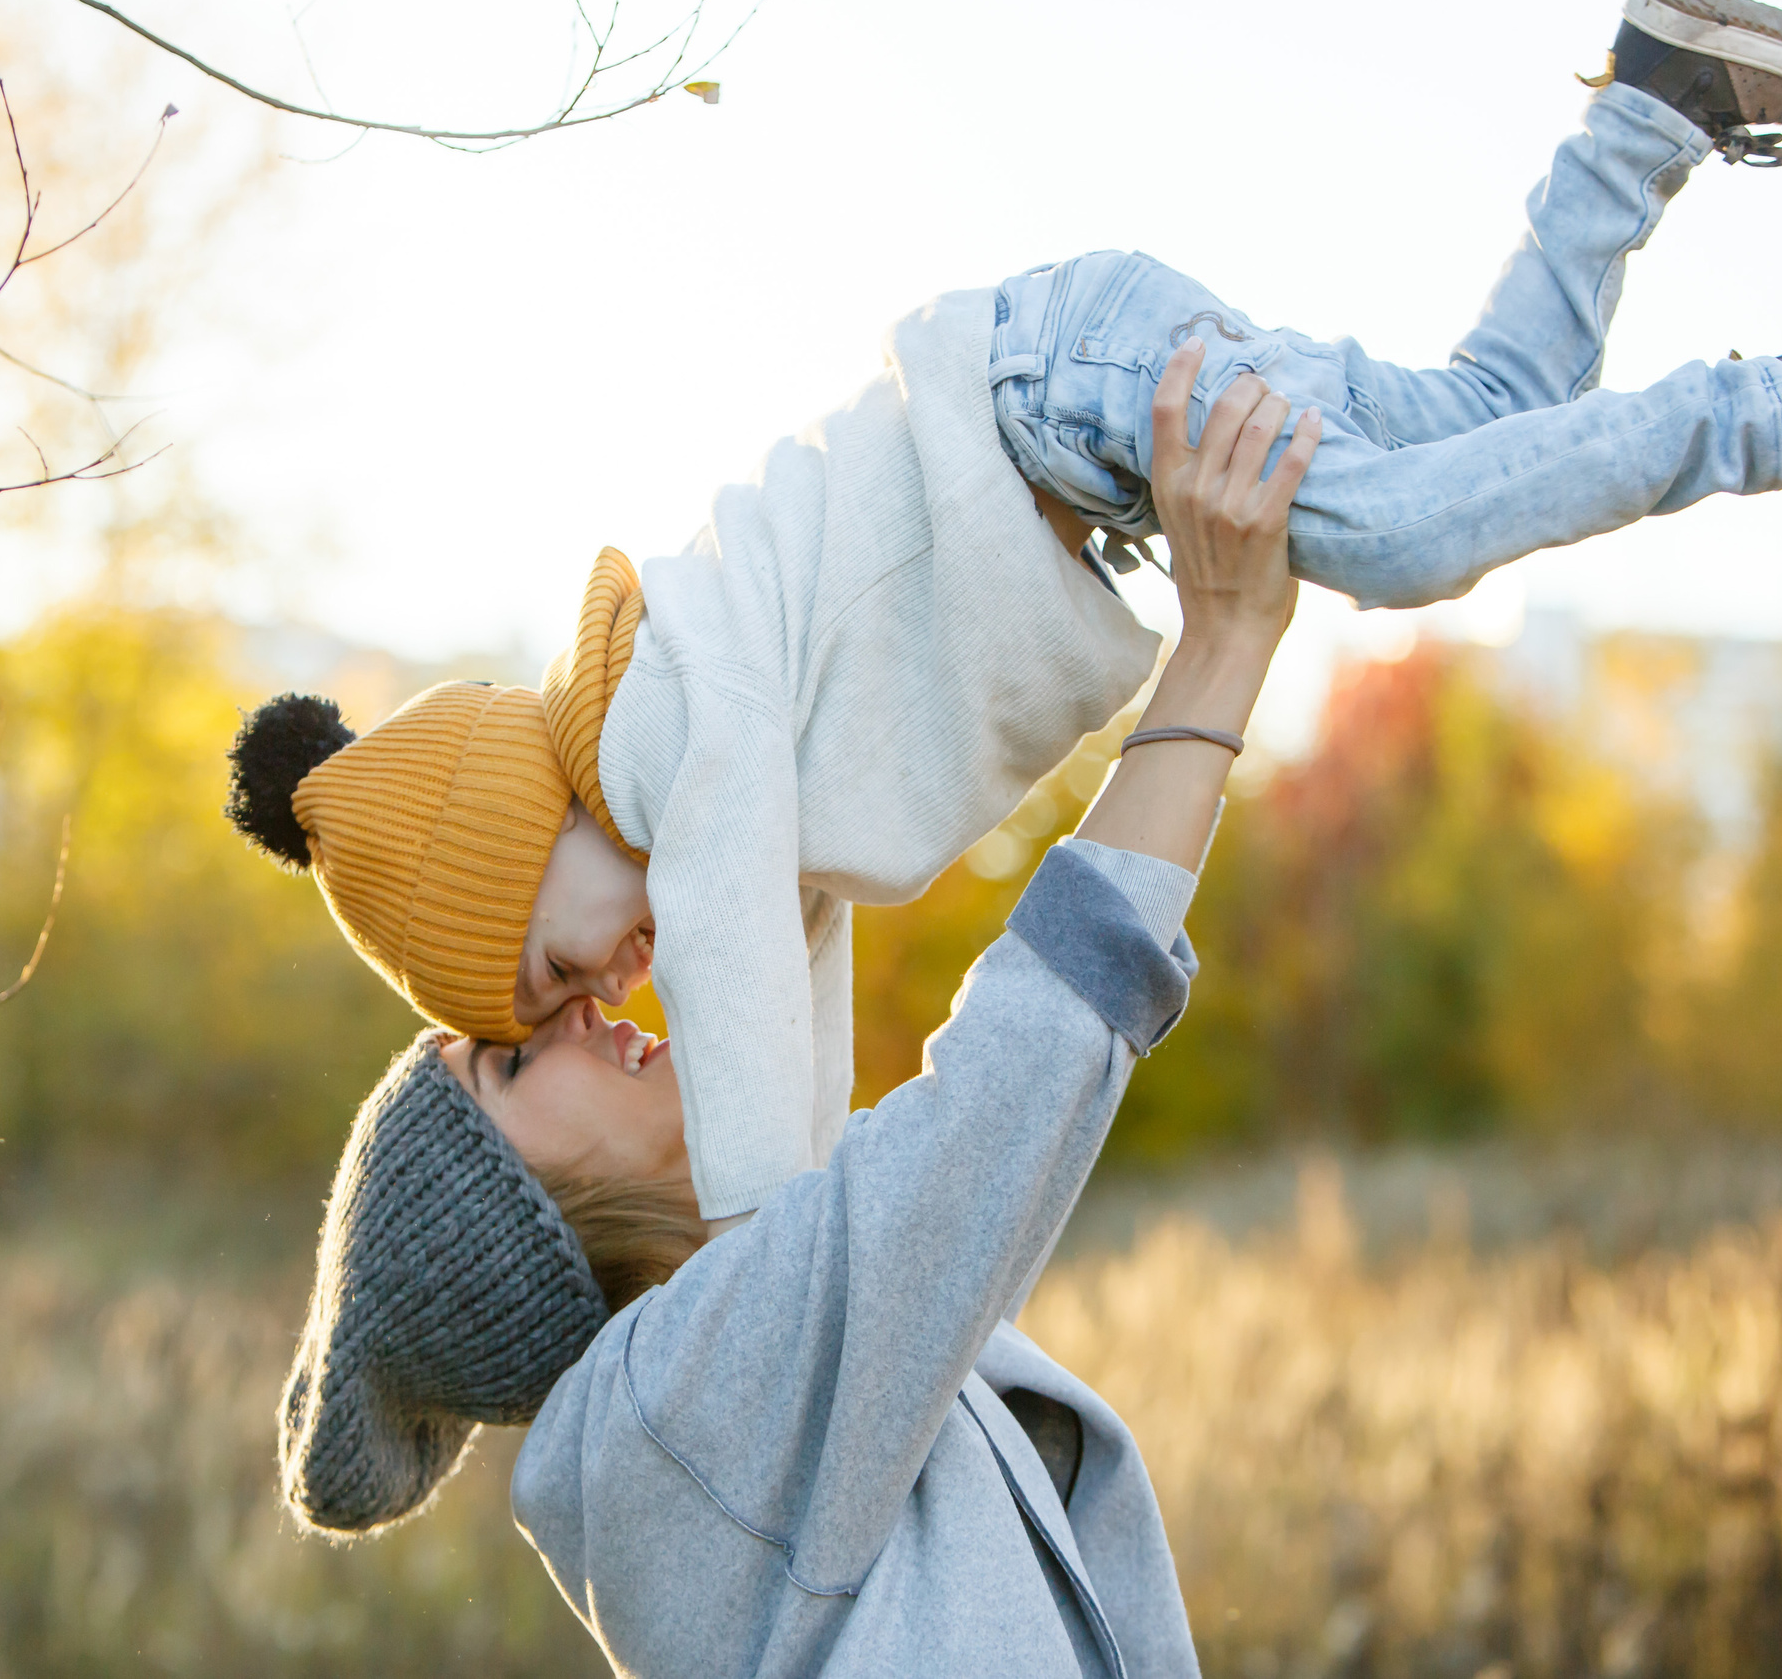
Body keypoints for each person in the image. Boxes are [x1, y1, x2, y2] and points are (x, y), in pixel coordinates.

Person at [224, 0, 1782, 1233]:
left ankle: (1781, 409)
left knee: (1386, 543)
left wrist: (770, 1247)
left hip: (1058, 395)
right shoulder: (739, 818)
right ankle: (1650, 112)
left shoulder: (659, 732)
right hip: (1067, 381)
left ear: (518, 824)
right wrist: (821, 1201)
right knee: (1475, 437)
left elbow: (747, 1045)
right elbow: (799, 1039)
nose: (616, 980)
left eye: (554, 959)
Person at [278, 349, 1309, 1677]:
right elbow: (1012, 1079)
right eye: (515, 1066)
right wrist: (1221, 644)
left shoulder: (716, 1370)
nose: (592, 1012)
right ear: (525, 1222)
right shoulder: (679, 1420)